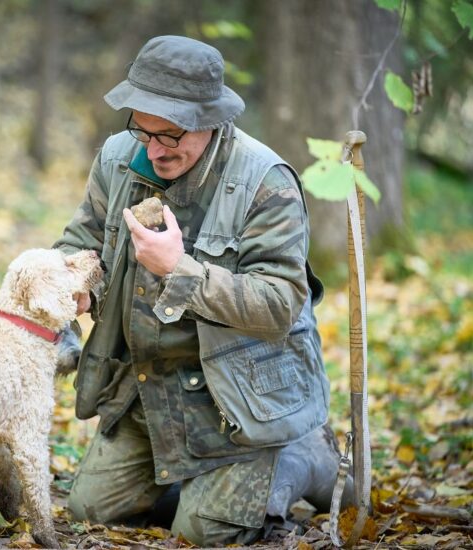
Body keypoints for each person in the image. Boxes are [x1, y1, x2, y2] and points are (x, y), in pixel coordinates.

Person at [54, 35, 344, 546]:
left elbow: (280, 304)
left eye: (170, 135)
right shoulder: (121, 157)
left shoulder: (265, 181)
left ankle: (302, 456)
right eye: (143, 130)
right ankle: (204, 490)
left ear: (211, 120)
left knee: (202, 536)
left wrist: (180, 271)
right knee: (91, 510)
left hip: (236, 400)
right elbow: (82, 240)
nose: (155, 149)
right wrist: (73, 280)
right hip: (149, 389)